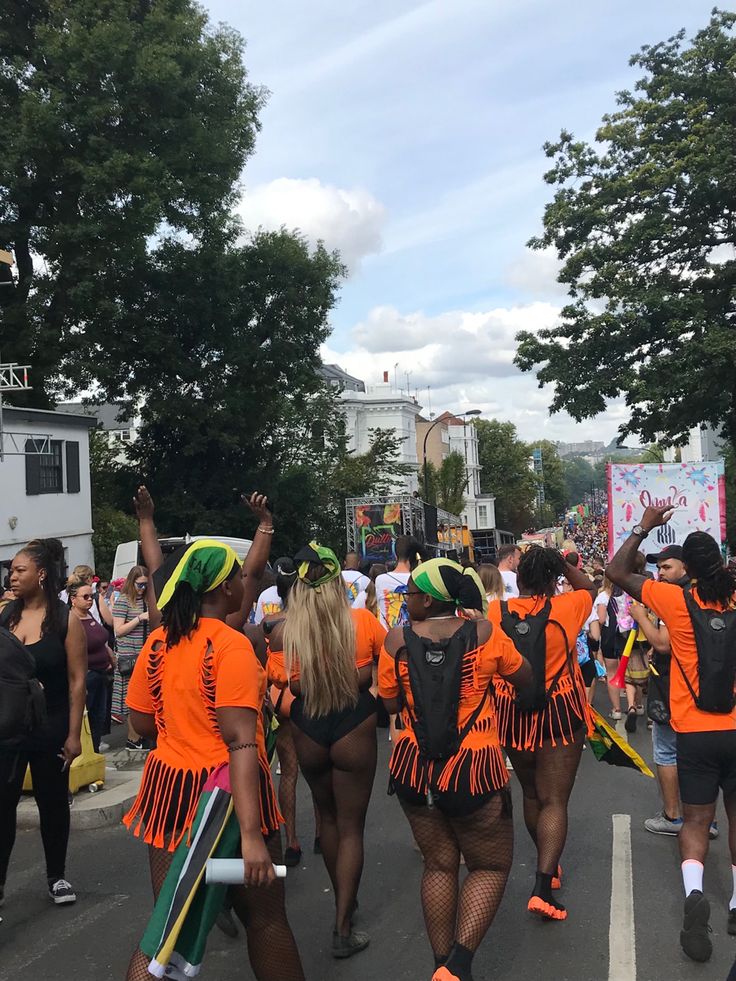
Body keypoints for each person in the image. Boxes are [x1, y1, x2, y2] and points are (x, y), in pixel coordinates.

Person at [123, 538, 304, 981]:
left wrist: (181, 727)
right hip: (227, 807)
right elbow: (241, 743)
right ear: (224, 589)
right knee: (265, 919)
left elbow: (141, 724)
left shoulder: (159, 642)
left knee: (169, 922)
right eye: (239, 576)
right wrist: (251, 838)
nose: (246, 582)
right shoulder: (233, 645)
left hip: (170, 799)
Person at [379, 558, 532, 981]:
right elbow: (526, 678)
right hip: (475, 769)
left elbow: (390, 704)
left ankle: (439, 964)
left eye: (409, 593)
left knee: (438, 866)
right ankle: (458, 967)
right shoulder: (485, 633)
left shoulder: (395, 641)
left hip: (415, 769)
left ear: (428, 598)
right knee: (490, 867)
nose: (406, 600)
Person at [607, 508, 736, 963]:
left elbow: (617, 571)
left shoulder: (676, 600)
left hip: (695, 730)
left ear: (690, 568)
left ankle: (694, 893)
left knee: (696, 821)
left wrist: (644, 525)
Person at [270, 544, 385, 959]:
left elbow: (293, 685)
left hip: (308, 726)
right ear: (339, 582)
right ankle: (342, 923)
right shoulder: (362, 621)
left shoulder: (290, 630)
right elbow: (390, 663)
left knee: (330, 821)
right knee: (352, 826)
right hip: (354, 722)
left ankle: (344, 902)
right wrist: (365, 681)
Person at [489, 546, 595, 921]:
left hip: (511, 712)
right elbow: (591, 588)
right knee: (555, 801)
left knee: (532, 793)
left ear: (517, 580)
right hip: (561, 711)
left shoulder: (494, 613)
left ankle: (546, 861)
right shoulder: (568, 607)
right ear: (553, 579)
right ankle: (543, 882)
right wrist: (562, 561)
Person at [0, 539, 87, 907]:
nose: (12, 576)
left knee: (52, 804)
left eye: (20, 570)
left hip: (50, 727)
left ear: (41, 574)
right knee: (2, 808)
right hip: (8, 729)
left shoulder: (66, 619)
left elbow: (77, 680)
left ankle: (57, 876)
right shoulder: (5, 617)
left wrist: (72, 735)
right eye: (11, 571)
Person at [632, 545, 690, 836]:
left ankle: (672, 816)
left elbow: (663, 643)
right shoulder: (700, 594)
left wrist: (640, 616)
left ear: (685, 568)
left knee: (667, 751)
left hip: (672, 685)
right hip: (694, 686)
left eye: (667, 567)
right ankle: (702, 819)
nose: (661, 573)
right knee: (691, 753)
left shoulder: (675, 598)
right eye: (659, 567)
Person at [67, 577, 115, 752]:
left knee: (98, 718)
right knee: (85, 719)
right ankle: (83, 756)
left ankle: (95, 754)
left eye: (91, 596)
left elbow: (101, 638)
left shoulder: (89, 615)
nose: (90, 600)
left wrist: (109, 653)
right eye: (85, 597)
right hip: (88, 675)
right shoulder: (71, 620)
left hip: (102, 674)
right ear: (73, 599)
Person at [112, 565, 149, 749]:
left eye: (145, 585)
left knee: (144, 698)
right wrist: (139, 619)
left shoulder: (147, 600)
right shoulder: (124, 601)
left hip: (144, 654)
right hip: (129, 656)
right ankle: (132, 739)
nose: (143, 589)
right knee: (131, 699)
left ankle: (139, 737)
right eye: (140, 585)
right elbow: (118, 631)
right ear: (131, 582)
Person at [375, 536, 424, 630]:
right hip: (414, 638)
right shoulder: (419, 579)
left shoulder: (380, 580)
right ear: (414, 556)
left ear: (395, 555)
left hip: (386, 639)